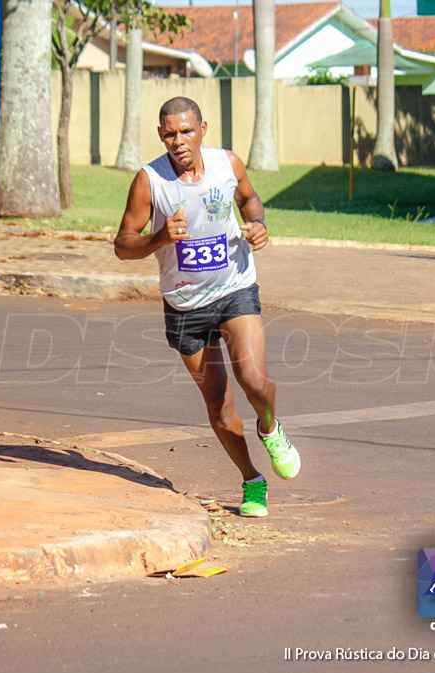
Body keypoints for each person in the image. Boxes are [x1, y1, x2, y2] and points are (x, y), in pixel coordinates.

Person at [114, 96, 300, 518]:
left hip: (235, 288)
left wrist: (259, 225)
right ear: (161, 135)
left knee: (254, 381)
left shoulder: (227, 164)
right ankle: (253, 481)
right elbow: (123, 244)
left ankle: (270, 427)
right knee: (218, 404)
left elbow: (251, 201)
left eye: (186, 131)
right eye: (168, 134)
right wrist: (158, 238)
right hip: (184, 305)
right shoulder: (150, 181)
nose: (177, 141)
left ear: (203, 129)